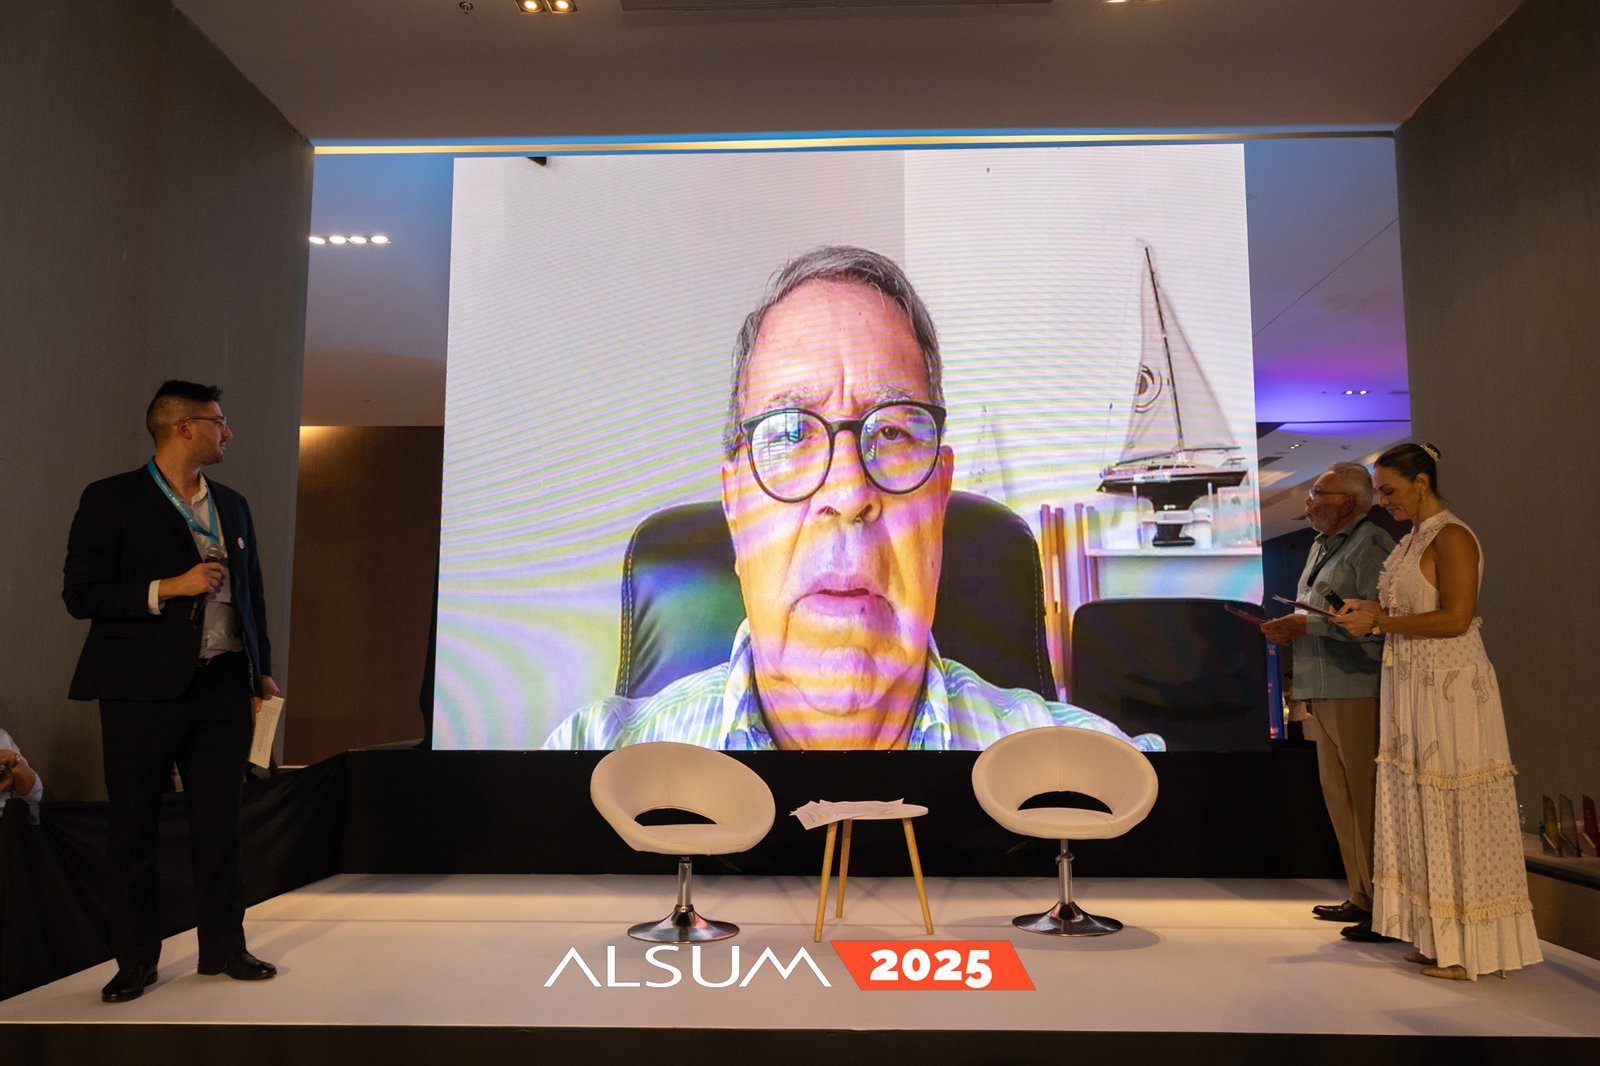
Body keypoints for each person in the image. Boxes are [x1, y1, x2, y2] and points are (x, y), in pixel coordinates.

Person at [545, 246, 1162, 753]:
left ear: (939, 500)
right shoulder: (588, 764)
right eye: (790, 432)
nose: (847, 493)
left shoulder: (1099, 777)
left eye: (891, 432)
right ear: (735, 508)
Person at [63, 380, 280, 1003]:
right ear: (182, 426)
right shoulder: (111, 499)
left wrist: (261, 671)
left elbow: (252, 593)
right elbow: (81, 594)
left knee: (221, 825)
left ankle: (224, 947)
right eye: (218, 421)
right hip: (139, 691)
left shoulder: (232, 504)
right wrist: (169, 587)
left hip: (223, 686)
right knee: (134, 826)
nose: (227, 432)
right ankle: (135, 961)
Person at [1333, 442, 1541, 980]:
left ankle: (1472, 949)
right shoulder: (1412, 539)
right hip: (1412, 683)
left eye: (1389, 491)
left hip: (1449, 686)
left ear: (1421, 483)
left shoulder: (1452, 536)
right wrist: (1370, 610)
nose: (1384, 501)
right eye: (1380, 492)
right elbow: (1412, 606)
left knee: (1454, 807)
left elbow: (1455, 618)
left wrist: (1379, 623)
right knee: (1420, 807)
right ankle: (1438, 936)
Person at [1259, 462, 1393, 940]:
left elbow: (1379, 622)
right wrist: (1292, 630)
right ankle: (1360, 893)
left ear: (1348, 502)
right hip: (1321, 684)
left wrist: (1306, 625)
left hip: (1358, 686)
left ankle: (1386, 906)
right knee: (1339, 795)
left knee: (1367, 796)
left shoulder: (1372, 544)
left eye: (1317, 493)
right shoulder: (1320, 544)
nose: (1308, 502)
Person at [0, 728, 44, 825]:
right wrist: (3, 784)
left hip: (13, 819)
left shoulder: (2, 736)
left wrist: (11, 758)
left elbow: (34, 795)